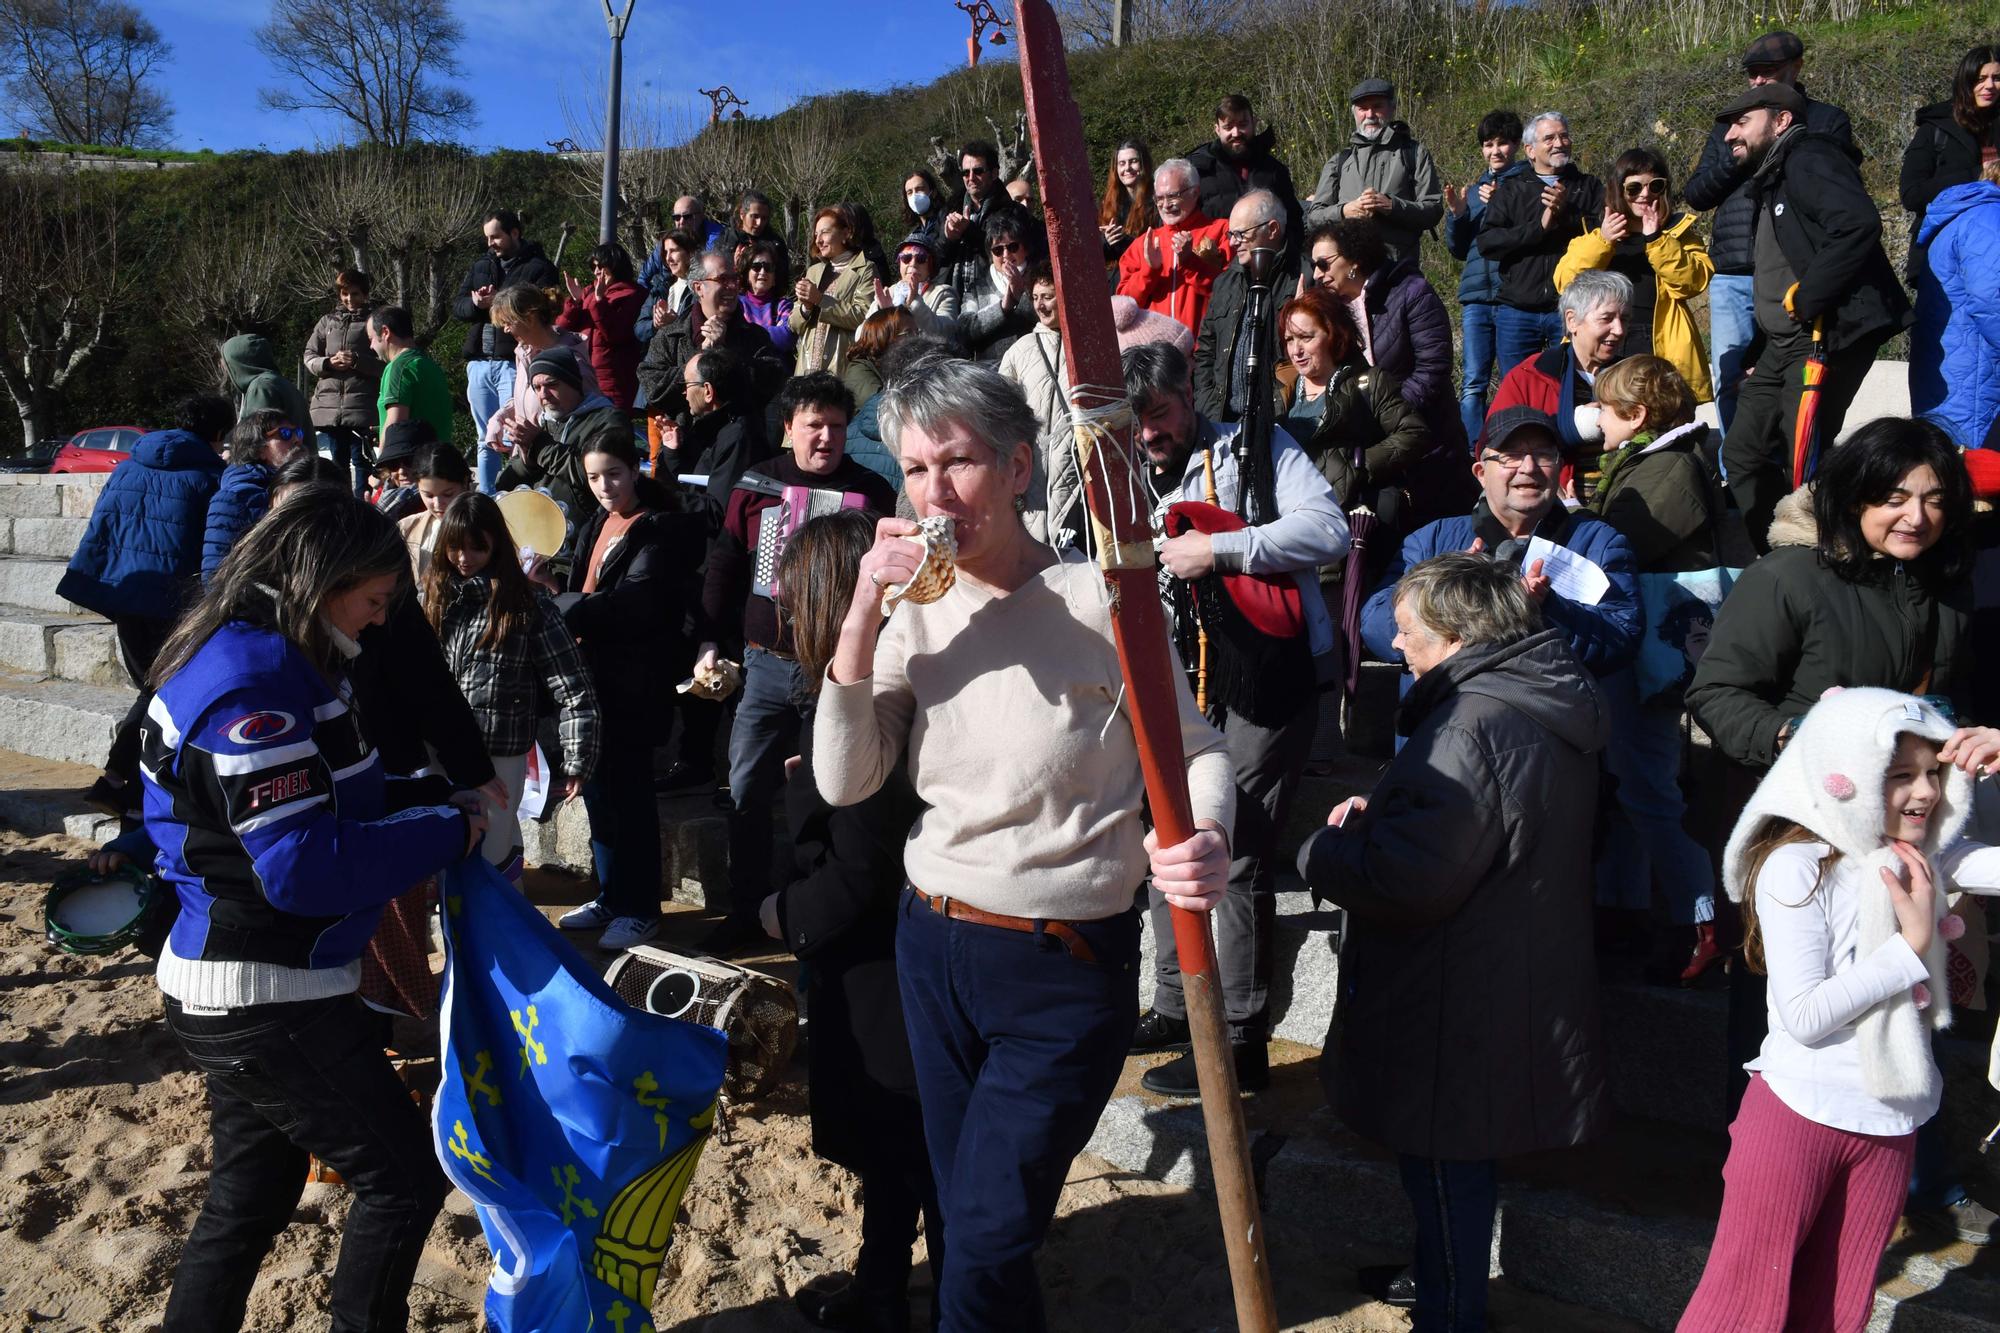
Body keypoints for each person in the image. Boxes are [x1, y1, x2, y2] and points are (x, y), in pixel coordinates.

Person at [814, 357, 1234, 1329]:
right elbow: (846, 777)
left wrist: (1203, 833)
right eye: (913, 469)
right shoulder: (914, 603)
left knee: (990, 1235)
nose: (932, 491)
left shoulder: (1101, 600)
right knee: (967, 1229)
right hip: (931, 943)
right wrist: (862, 608)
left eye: (953, 463)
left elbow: (1197, 751)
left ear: (1014, 465)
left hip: (1062, 959)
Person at [139, 495, 485, 1333]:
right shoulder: (254, 683)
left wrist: (432, 794)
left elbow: (335, 795)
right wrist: (446, 830)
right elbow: (300, 865)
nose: (377, 623)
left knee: (250, 1195)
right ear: (322, 583)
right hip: (262, 989)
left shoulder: (259, 656)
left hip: (237, 976)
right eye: (373, 602)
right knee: (403, 1180)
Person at [1298, 551, 1610, 1333]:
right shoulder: (1533, 695)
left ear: (1459, 632)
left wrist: (1325, 851)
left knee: (1443, 1164)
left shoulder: (1473, 719)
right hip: (1505, 965)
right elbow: (1488, 821)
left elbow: (1413, 880)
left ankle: (1449, 1311)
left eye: (1407, 630)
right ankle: (1435, 1281)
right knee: (1454, 1166)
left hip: (1460, 985)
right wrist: (1400, 805)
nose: (1395, 646)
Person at [1675, 690, 1976, 1332]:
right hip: (1796, 1115)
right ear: (1847, 776)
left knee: (1840, 1311)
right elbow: (1807, 1014)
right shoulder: (1795, 866)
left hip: (1891, 1123)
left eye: (1934, 772)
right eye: (1899, 776)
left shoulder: (1924, 858)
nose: (1923, 792)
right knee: (1743, 1308)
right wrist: (1910, 948)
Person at [1124, 340, 1349, 1095]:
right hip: (1181, 677)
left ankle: (1242, 1037)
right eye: (1137, 421)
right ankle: (1170, 1004)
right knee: (1166, 832)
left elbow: (1329, 530)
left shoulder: (1254, 448)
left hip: (1269, 674)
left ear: (1189, 396)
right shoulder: (1126, 471)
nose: (1150, 431)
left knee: (1240, 845)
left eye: (1159, 414)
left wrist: (1221, 549)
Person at [764, 508, 938, 1333]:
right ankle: (879, 1287)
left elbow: (859, 868)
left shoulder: (871, 701)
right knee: (892, 1150)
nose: (787, 620)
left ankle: (939, 1304)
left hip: (882, 964)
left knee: (909, 1144)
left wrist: (780, 916)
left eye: (797, 603)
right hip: (873, 960)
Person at [697, 374, 896, 956]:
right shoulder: (756, 483)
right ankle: (746, 910)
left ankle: (818, 910)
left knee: (831, 788)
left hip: (838, 671)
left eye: (837, 426)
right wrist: (710, 639)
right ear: (788, 428)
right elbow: (725, 565)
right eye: (815, 425)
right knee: (746, 787)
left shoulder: (872, 493)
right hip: (763, 663)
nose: (827, 437)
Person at [1713, 82, 1911, 551]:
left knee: (1802, 460)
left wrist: (1810, 300)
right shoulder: (1774, 175)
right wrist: (1761, 347)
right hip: (1782, 345)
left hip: (1822, 338)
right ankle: (1777, 552)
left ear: (1781, 120)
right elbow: (1783, 268)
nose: (1728, 135)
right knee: (1741, 452)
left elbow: (1858, 224)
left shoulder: (1809, 157)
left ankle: (1822, 558)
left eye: (1741, 121)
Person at [1585, 356, 1726, 983]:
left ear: (1637, 416)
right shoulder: (1658, 459)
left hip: (1650, 651)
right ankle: (1630, 912)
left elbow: (1624, 546)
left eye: (1605, 409)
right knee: (1633, 781)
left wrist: (1579, 525)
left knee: (1646, 786)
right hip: (1643, 648)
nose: (1595, 422)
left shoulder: (1669, 466)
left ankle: (1697, 924)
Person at [542, 431, 696, 950]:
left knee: (630, 795)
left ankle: (641, 908)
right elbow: (584, 591)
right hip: (591, 677)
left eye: (613, 473)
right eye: (593, 477)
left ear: (635, 470)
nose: (604, 485)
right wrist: (548, 587)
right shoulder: (593, 523)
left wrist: (561, 606)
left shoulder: (660, 529)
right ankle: (612, 896)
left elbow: (636, 603)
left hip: (634, 682)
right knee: (600, 792)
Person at [1362, 405, 1641, 681]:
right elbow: (1374, 625)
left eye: (1543, 455)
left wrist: (1546, 608)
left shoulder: (1599, 541)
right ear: (1481, 473)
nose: (1529, 467)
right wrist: (1446, 594)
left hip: (1549, 715)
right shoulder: (1432, 540)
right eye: (1511, 456)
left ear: (1558, 467)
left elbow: (1621, 637)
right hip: (1445, 716)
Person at [61, 394, 233, 818]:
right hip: (171, 603)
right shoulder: (211, 476)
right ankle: (120, 781)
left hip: (122, 593)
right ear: (217, 434)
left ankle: (122, 783)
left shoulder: (130, 466)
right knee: (163, 691)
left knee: (156, 688)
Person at [1685, 30, 1857, 434]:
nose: (1759, 80)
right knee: (1730, 379)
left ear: (1796, 68)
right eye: (1752, 74)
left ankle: (1789, 466)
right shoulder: (1729, 127)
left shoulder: (1825, 120)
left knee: (1795, 375)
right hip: (1734, 271)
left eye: (1769, 72)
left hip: (1791, 271)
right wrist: (1744, 153)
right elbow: (1696, 194)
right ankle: (1735, 472)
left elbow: (1836, 193)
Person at [425, 491, 598, 875]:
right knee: (449, 853)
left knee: (491, 851)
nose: (464, 558)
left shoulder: (526, 606)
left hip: (500, 750)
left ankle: (498, 928)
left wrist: (577, 758)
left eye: (477, 548)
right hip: (441, 748)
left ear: (496, 546)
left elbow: (573, 686)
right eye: (455, 548)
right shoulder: (432, 599)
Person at [1555, 147, 1714, 400]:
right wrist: (1603, 242)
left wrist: (1657, 240)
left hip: (1657, 338)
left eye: (1655, 186)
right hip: (1603, 337)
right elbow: (1566, 283)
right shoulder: (1594, 231)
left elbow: (1692, 283)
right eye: (1634, 188)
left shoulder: (1679, 232)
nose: (1645, 194)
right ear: (1619, 190)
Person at [1310, 217, 1466, 454]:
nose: (1316, 274)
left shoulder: (1411, 291)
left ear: (1354, 258)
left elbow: (1433, 366)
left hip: (1428, 439)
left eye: (1323, 264)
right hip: (1365, 440)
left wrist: (1390, 412)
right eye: (1314, 265)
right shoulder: (1331, 310)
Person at [1905, 47, 2000, 423]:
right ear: (1965, 81)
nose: (1989, 85)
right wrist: (1978, 180)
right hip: (1945, 261)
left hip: (1992, 250)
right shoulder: (1937, 128)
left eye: (1996, 77)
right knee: (1952, 359)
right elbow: (1911, 193)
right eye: (1981, 78)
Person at [1478, 111, 1607, 375]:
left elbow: (1605, 233)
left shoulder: (1589, 187)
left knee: (1575, 388)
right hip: (1517, 311)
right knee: (1519, 391)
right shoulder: (1511, 191)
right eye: (1549, 138)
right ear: (1530, 150)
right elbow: (1488, 243)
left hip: (1573, 308)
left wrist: (1565, 215)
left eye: (1564, 136)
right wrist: (1539, 227)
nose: (1559, 143)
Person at [453, 208, 560, 485]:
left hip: (515, 362)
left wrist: (499, 302)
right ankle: (487, 499)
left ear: (515, 233)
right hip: (478, 362)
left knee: (517, 433)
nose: (490, 243)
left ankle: (518, 494)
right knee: (484, 437)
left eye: (496, 237)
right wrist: (476, 304)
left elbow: (547, 310)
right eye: (488, 238)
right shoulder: (480, 266)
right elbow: (458, 307)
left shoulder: (540, 267)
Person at [1445, 110, 1531, 444]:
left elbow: (1529, 234)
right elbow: (1458, 248)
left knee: (1514, 378)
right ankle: (1472, 451)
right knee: (1473, 381)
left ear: (1518, 146)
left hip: (1513, 296)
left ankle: (1514, 443)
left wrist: (1501, 206)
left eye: (1503, 144)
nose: (1495, 151)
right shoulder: (1475, 189)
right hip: (1475, 298)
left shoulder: (1528, 185)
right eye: (1488, 144)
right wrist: (1457, 215)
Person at [497, 346, 628, 556]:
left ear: (574, 384)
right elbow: (505, 485)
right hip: (539, 541)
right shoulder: (544, 423)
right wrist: (526, 459)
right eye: (536, 388)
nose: (544, 395)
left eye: (551, 385)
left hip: (588, 541)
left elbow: (592, 475)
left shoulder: (608, 420)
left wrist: (539, 445)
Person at [1485, 268, 1630, 455]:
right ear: (1572, 321)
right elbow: (1492, 447)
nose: (1619, 330)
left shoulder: (1635, 379)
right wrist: (1568, 429)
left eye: (1624, 319)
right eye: (1606, 319)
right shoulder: (1529, 377)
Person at [1303, 78, 1444, 265]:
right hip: (1348, 272)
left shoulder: (1415, 153)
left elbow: (1433, 210)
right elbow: (1313, 218)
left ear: (1391, 108)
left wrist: (1391, 206)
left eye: (1377, 106)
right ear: (1355, 113)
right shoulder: (1338, 161)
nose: (1370, 114)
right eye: (1363, 108)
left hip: (1398, 270)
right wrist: (1344, 211)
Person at [637, 248, 787, 423]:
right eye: (722, 279)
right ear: (698, 287)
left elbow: (771, 383)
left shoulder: (756, 337)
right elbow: (654, 391)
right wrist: (700, 358)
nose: (732, 287)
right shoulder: (670, 336)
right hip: (686, 444)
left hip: (740, 444)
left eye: (735, 279)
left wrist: (726, 354)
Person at [1912, 161, 2000, 446]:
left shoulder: (1965, 217)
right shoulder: (1989, 218)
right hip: (1975, 380)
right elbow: (1993, 302)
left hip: (1954, 375)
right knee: (1974, 478)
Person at [481, 283, 597, 483]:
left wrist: (544, 447)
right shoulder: (523, 352)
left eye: (508, 322)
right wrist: (499, 418)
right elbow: (524, 398)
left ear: (530, 317)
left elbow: (592, 416)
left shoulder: (573, 361)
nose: (506, 330)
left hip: (559, 470)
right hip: (529, 461)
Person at [1194, 190, 1291, 423]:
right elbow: (1206, 351)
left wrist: (1273, 412)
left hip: (1277, 424)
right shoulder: (1225, 283)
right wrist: (1208, 408)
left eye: (1241, 233)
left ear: (1272, 229)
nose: (1232, 242)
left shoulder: (1302, 279)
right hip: (1222, 422)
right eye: (1231, 233)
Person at [1116, 157, 1231, 344]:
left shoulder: (1221, 231)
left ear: (1195, 192)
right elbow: (1124, 309)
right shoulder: (1143, 244)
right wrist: (1149, 271)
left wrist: (1190, 263)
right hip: (1156, 360)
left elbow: (1230, 294)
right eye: (1159, 198)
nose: (1166, 205)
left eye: (1173, 196)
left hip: (1205, 355)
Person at [997, 266, 1073, 545]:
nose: (1040, 304)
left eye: (1049, 296)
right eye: (1036, 297)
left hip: (1073, 463)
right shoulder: (1019, 350)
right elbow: (1002, 411)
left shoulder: (1084, 347)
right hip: (1034, 467)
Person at [659, 346, 774, 526]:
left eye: (686, 385)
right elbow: (698, 488)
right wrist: (674, 454)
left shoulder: (739, 436)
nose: (684, 393)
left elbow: (718, 511)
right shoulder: (718, 429)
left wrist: (659, 498)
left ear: (707, 391)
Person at [1185, 94, 1304, 263]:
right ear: (1217, 129)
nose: (1236, 133)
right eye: (1228, 127)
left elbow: (1293, 222)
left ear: (1254, 123)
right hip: (1214, 270)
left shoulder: (1274, 170)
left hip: (1269, 266)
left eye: (1242, 125)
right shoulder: (1198, 171)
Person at [201, 411, 308, 582]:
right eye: (285, 434)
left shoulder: (311, 484)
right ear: (259, 449)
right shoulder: (235, 497)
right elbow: (215, 575)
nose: (297, 440)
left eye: (298, 432)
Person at [303, 269, 381, 498]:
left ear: (365, 294)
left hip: (362, 407)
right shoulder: (326, 322)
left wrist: (358, 362)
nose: (349, 299)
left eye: (355, 294)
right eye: (345, 294)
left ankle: (364, 508)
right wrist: (327, 362)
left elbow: (385, 363)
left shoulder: (375, 322)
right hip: (330, 408)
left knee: (363, 462)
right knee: (337, 462)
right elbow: (309, 355)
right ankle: (340, 506)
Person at [557, 240, 645, 411]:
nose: (596, 271)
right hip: (584, 375)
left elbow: (615, 334)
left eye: (601, 266)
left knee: (613, 429)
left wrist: (599, 302)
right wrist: (575, 302)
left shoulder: (632, 294)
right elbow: (562, 328)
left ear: (615, 265)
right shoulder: (589, 292)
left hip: (613, 379)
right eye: (594, 267)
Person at [791, 207, 878, 377]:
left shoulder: (866, 269)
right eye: (816, 235)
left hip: (841, 370)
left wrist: (820, 299)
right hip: (806, 371)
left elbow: (865, 317)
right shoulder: (814, 271)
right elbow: (793, 324)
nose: (818, 240)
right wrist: (806, 308)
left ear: (846, 233)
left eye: (825, 232)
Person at [957, 204, 1041, 363]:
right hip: (992, 376)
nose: (1006, 255)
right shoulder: (977, 288)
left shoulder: (1040, 277)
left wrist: (1020, 296)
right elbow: (964, 331)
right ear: (990, 254)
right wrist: (1004, 306)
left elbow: (1051, 316)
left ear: (1026, 248)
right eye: (998, 250)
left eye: (1013, 247)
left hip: (1035, 366)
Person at [368, 305, 454, 446]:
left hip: (411, 464)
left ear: (385, 332)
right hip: (438, 459)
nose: (371, 346)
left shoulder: (398, 367)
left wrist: (383, 465)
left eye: (371, 338)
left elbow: (395, 426)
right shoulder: (430, 365)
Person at [396, 439, 473, 586]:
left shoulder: (486, 521)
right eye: (429, 495)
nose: (438, 504)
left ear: (465, 483)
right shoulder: (407, 527)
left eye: (448, 494)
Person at [940, 139, 1008, 300]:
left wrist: (968, 231)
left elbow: (1004, 251)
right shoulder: (950, 208)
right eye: (965, 172)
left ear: (994, 173)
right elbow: (935, 258)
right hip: (955, 300)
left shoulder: (1010, 210)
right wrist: (948, 239)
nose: (971, 178)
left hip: (994, 297)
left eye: (978, 171)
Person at [219, 333, 311, 433]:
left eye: (227, 362)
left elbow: (257, 438)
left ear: (238, 362)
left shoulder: (261, 387)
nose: (223, 366)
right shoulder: (280, 383)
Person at [635, 227, 700, 351]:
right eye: (665, 252)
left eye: (674, 251)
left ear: (690, 253)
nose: (668, 258)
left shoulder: (700, 287)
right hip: (659, 363)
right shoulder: (660, 286)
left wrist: (675, 323)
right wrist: (654, 324)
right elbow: (639, 329)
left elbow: (700, 330)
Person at [885, 231, 959, 338]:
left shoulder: (944, 293)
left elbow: (947, 332)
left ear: (931, 266)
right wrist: (881, 313)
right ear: (899, 263)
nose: (913, 263)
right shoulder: (889, 293)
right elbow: (860, 335)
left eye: (921, 258)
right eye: (906, 258)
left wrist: (915, 302)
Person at [842, 307, 917, 412]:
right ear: (883, 336)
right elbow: (883, 409)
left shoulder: (911, 368)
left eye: (917, 333)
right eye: (908, 333)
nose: (917, 339)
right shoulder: (859, 370)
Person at [738, 237, 798, 362]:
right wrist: (773, 331)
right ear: (746, 273)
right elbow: (734, 338)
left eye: (768, 267)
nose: (763, 272)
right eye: (756, 267)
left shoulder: (784, 306)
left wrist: (748, 333)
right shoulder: (737, 304)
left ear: (775, 276)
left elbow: (786, 338)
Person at [1099, 138, 1157, 265]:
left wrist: (1123, 240)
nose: (1127, 168)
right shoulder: (1108, 203)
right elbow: (1098, 256)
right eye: (1122, 163)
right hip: (1116, 277)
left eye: (1133, 161)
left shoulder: (1157, 200)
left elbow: (1159, 247)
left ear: (1144, 164)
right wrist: (1106, 241)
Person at [368, 420, 430, 521]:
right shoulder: (383, 495)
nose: (401, 471)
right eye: (393, 464)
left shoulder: (437, 500)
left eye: (409, 461)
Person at [899, 168, 947, 246]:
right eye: (910, 192)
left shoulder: (947, 221)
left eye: (920, 189)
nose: (914, 196)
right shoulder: (914, 236)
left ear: (933, 192)